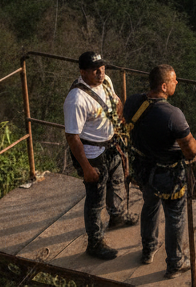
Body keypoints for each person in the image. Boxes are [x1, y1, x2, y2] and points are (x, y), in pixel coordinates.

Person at [123, 64, 196, 277]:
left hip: (143, 168)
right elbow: (191, 151)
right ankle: (175, 262)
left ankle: (148, 249)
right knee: (175, 216)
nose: (177, 82)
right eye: (174, 80)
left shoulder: (133, 102)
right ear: (164, 86)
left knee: (150, 206)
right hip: (168, 174)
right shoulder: (172, 114)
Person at [63, 50, 137, 261]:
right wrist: (86, 167)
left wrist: (120, 120)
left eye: (102, 67)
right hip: (92, 152)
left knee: (116, 181)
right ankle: (95, 242)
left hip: (111, 144)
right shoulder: (76, 100)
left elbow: (116, 101)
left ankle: (117, 216)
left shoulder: (106, 82)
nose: (100, 72)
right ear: (82, 72)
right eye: (95, 69)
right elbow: (72, 137)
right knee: (95, 197)